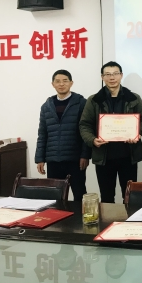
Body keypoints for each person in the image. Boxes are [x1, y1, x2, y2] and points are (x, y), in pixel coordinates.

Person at [79, 61, 142, 203]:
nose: (112, 77)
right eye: (108, 74)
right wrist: (92, 140)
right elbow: (85, 124)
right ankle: (108, 218)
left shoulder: (133, 98)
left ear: (121, 75)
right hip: (104, 157)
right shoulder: (94, 100)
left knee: (129, 196)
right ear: (102, 77)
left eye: (115, 74)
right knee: (106, 197)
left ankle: (128, 218)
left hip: (128, 156)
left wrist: (137, 133)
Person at [35, 69, 90, 202]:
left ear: (71, 83)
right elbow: (42, 133)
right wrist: (40, 158)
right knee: (55, 196)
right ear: (52, 84)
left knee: (79, 194)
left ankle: (78, 216)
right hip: (53, 159)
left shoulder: (81, 103)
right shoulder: (46, 106)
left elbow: (87, 130)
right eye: (58, 81)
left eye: (65, 81)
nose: (61, 84)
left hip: (75, 159)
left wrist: (85, 155)